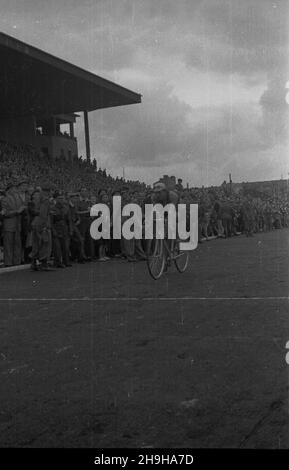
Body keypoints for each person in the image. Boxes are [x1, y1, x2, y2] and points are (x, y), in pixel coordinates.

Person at [1, 182, 24, 266]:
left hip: (17, 224)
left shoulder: (18, 198)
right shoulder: (4, 199)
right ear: (9, 190)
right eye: (14, 188)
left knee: (17, 244)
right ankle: (8, 262)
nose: (15, 190)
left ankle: (16, 261)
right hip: (9, 224)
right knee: (8, 245)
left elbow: (22, 207)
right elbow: (5, 213)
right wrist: (16, 211)